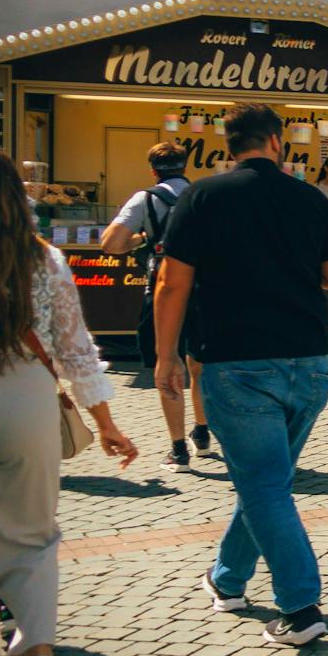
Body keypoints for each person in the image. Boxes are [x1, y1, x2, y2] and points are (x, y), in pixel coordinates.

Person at [154, 103, 328, 646]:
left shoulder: (202, 196)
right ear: (277, 142)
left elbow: (172, 284)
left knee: (264, 484)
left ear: (229, 144)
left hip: (236, 362)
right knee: (266, 481)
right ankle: (227, 580)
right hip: (310, 362)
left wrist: (165, 356)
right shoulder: (309, 197)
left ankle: (300, 608)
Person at [0, 152, 138, 656]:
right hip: (26, 395)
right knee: (32, 539)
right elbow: (76, 349)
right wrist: (104, 422)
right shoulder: (43, 259)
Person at [98, 141, 211, 472]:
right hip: (203, 290)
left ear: (153, 170)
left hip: (162, 290)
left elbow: (112, 244)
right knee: (199, 366)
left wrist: (144, 239)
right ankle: (202, 434)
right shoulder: (204, 195)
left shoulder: (144, 199)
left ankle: (179, 449)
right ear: (185, 166)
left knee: (168, 365)